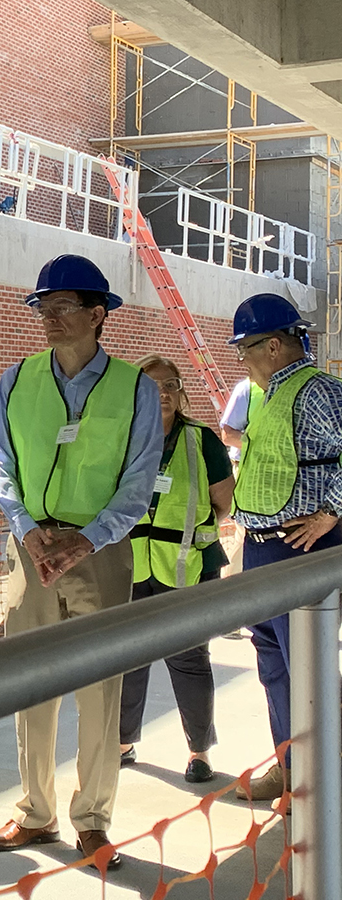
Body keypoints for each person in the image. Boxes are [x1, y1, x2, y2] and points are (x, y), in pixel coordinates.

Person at [0, 255, 162, 869]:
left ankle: (92, 820)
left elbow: (139, 481)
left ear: (97, 314)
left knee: (99, 691)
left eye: (61, 308)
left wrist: (86, 540)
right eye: (41, 307)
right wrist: (27, 530)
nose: (48, 319)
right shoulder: (17, 380)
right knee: (31, 681)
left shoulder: (136, 387)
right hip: (28, 550)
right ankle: (35, 812)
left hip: (102, 552)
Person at [227, 293, 342, 803]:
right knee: (274, 665)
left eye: (245, 349)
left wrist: (330, 514)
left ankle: (321, 782)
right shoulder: (271, 392)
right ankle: (290, 766)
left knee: (307, 671)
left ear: (274, 345)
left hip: (300, 549)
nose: (242, 359)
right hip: (263, 549)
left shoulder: (317, 391)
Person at [119, 355, 234, 783]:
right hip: (132, 568)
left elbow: (223, 503)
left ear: (181, 392)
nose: (163, 394)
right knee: (128, 658)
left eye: (171, 385)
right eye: (152, 387)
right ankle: (123, 741)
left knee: (189, 661)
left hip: (188, 571)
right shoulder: (123, 438)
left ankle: (199, 752)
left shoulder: (201, 440)